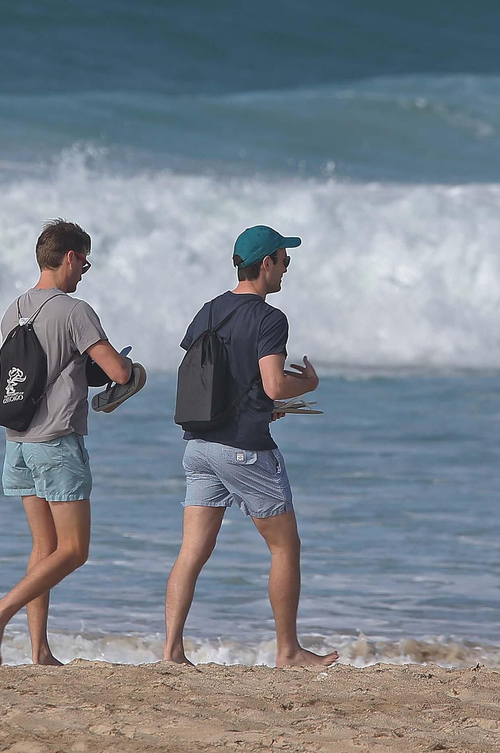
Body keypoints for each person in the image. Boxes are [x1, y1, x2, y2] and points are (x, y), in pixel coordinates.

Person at [163, 225, 336, 668]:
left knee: (191, 551)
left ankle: (172, 651)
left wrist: (258, 406)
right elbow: (275, 384)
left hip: (200, 445)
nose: (287, 269)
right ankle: (288, 651)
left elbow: (207, 376)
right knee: (285, 547)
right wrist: (308, 384)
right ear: (266, 263)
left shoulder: (208, 310)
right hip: (244, 450)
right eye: (284, 260)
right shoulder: (269, 318)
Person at [0, 219, 133, 666]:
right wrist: (130, 368)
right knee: (73, 550)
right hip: (56, 443)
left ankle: (40, 651)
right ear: (69, 257)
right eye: (84, 261)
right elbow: (118, 373)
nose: (84, 270)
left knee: (44, 547)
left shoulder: (14, 309)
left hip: (17, 441)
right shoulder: (75, 311)